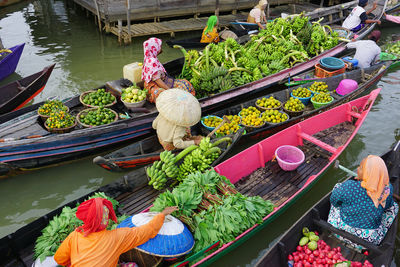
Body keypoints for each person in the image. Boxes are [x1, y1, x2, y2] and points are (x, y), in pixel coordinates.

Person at [54, 197, 178, 267]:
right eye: (104, 215)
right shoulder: (116, 237)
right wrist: (162, 214)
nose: (106, 218)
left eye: (106, 214)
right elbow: (145, 231)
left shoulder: (75, 235)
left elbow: (60, 259)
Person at [327, 155, 398, 245]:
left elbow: (334, 201)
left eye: (360, 167)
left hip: (339, 231)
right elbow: (386, 207)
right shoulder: (388, 189)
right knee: (394, 207)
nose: (358, 168)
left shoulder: (349, 186)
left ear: (367, 174)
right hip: (367, 241)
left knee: (338, 188)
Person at [142, 37, 195, 103]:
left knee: (185, 84)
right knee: (166, 97)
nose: (161, 48)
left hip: (164, 81)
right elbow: (158, 81)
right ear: (154, 48)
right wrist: (170, 90)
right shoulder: (151, 61)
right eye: (159, 46)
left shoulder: (151, 57)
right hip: (153, 86)